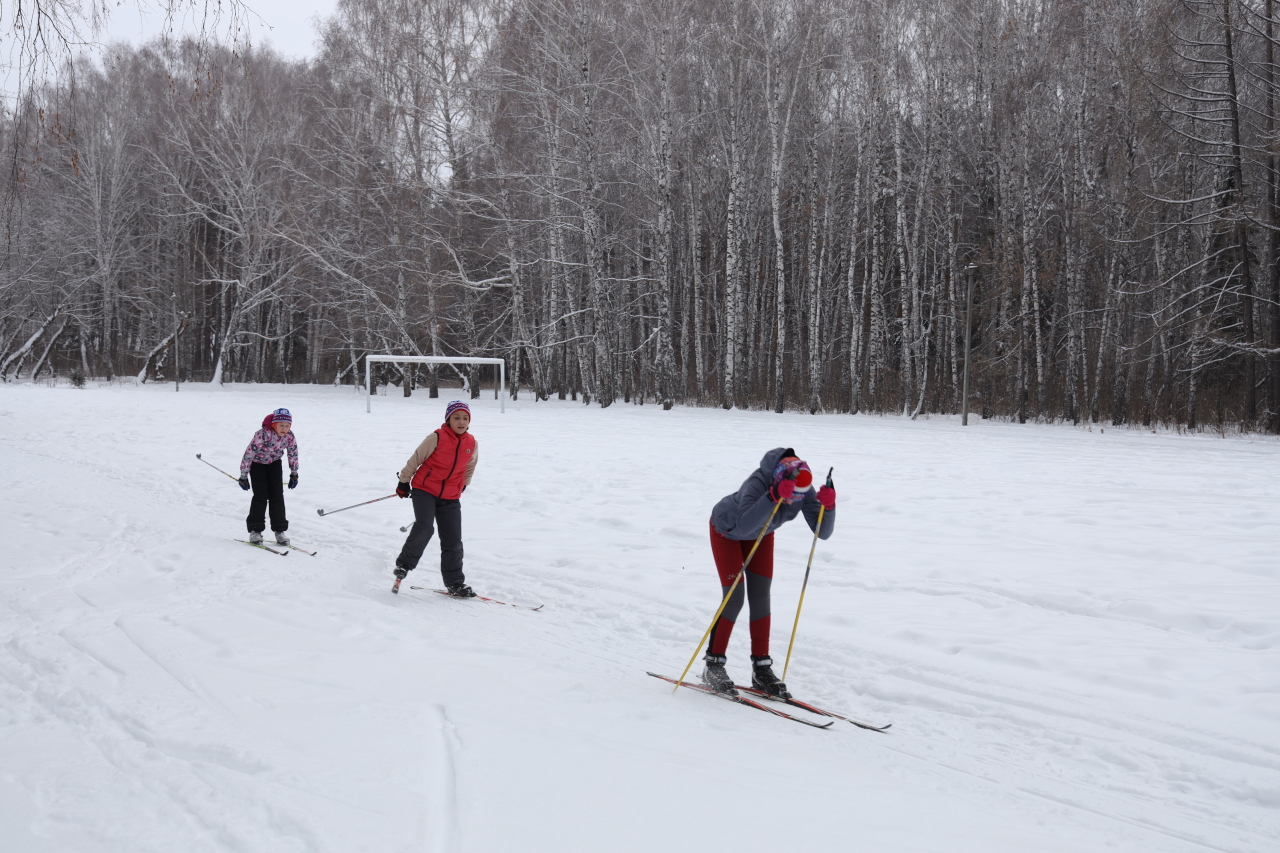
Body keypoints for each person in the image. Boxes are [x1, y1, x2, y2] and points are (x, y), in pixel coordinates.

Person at [702, 447, 836, 698]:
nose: (794, 500)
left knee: (761, 596)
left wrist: (828, 508)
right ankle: (713, 666)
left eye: (799, 496)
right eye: (791, 496)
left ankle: (761, 670)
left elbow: (822, 532)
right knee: (734, 598)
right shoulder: (757, 483)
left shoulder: (802, 487)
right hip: (728, 531)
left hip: (762, 534)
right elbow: (744, 526)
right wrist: (773, 496)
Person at [393, 400, 479, 595]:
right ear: (448, 419)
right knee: (425, 527)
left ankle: (455, 582)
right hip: (425, 490)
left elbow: (470, 466)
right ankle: (404, 565)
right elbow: (416, 459)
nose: (461, 422)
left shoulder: (471, 443)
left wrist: (464, 484)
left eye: (465, 418)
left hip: (450, 496)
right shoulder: (436, 438)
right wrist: (403, 482)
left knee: (453, 540)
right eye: (456, 417)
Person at [238, 408, 299, 546]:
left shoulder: (289, 436)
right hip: (257, 465)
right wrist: (244, 474)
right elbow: (249, 453)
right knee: (261, 496)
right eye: (281, 425)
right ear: (274, 424)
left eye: (287, 425)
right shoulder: (263, 435)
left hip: (274, 465)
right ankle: (255, 530)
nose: (284, 429)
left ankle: (280, 530)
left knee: (277, 496)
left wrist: (294, 473)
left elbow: (293, 453)